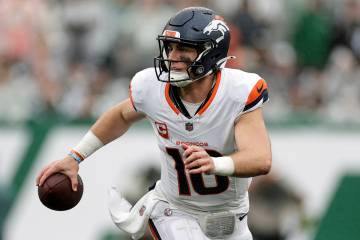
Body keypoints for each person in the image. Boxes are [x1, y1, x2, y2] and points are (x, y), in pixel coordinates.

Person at [36, 7, 272, 240]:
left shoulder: (237, 92)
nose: (172, 57)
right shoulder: (151, 88)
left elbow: (260, 159)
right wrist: (75, 157)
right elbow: (119, 115)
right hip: (175, 210)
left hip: (231, 218)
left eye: (183, 49)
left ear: (211, 53)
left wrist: (215, 164)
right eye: (170, 48)